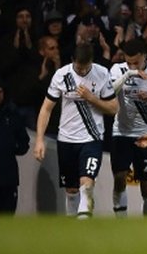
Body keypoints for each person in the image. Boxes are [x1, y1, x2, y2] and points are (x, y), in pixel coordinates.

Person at [33, 41, 118, 217]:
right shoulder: (62, 75)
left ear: (91, 62)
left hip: (91, 138)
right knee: (71, 190)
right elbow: (46, 108)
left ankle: (84, 221)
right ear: (72, 60)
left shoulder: (102, 74)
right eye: (78, 67)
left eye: (85, 68)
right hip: (66, 139)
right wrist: (40, 139)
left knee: (86, 184)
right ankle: (73, 227)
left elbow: (114, 108)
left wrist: (92, 98)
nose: (81, 71)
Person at [108, 39, 147, 216]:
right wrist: (129, 74)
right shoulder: (117, 70)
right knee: (120, 176)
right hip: (121, 132)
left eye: (136, 63)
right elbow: (109, 92)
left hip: (146, 134)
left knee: (146, 182)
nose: (132, 66)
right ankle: (121, 221)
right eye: (129, 63)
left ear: (144, 56)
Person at [0, 77, 29, 213]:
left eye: (0, 92)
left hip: (8, 177)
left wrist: (11, 149)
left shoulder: (12, 115)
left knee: (6, 217)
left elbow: (23, 142)